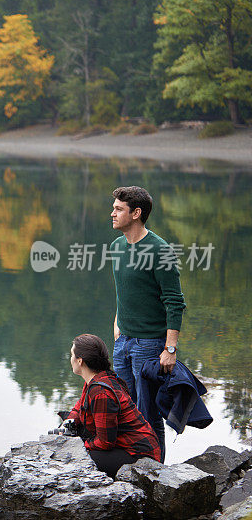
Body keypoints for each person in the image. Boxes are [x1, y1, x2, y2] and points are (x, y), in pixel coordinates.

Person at [110, 186, 186, 462]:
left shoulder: (160, 250)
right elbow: (123, 290)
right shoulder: (116, 246)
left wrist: (171, 348)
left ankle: (155, 474)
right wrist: (117, 323)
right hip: (124, 342)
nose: (113, 213)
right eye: (115, 207)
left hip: (150, 344)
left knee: (148, 413)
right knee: (124, 409)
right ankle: (132, 465)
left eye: (119, 209)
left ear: (136, 213)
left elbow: (175, 301)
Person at [64, 334, 161, 478]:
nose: (70, 359)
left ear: (80, 361)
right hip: (127, 447)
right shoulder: (98, 378)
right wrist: (67, 423)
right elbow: (79, 406)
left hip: (139, 456)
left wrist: (80, 443)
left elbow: (105, 443)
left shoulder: (100, 392)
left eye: (72, 355)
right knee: (71, 434)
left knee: (76, 458)